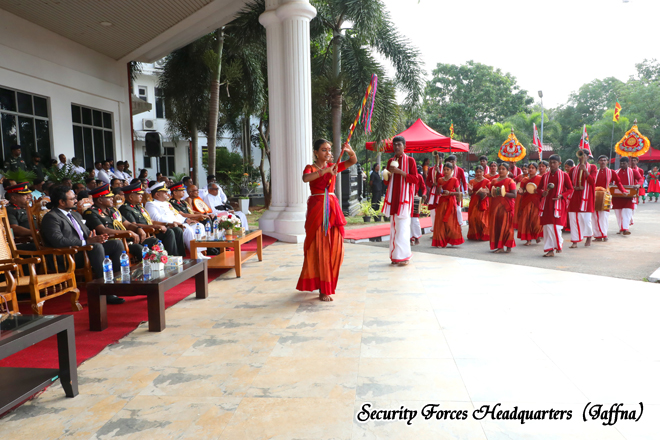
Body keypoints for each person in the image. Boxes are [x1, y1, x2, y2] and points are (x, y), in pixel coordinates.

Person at [40, 185, 125, 303]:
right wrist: (86, 242)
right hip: (69, 255)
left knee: (116, 244)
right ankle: (105, 291)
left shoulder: (75, 214)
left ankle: (118, 284)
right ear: (62, 202)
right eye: (72, 199)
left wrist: (97, 238)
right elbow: (58, 241)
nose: (76, 201)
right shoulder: (51, 217)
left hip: (86, 250)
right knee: (96, 247)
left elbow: (87, 234)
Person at [296, 139, 356, 301]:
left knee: (336, 248)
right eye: (324, 150)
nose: (328, 152)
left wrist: (350, 151)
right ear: (316, 152)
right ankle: (323, 289)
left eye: (329, 149)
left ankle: (328, 283)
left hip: (332, 208)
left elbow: (352, 161)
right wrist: (325, 172)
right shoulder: (311, 167)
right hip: (317, 209)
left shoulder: (333, 166)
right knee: (320, 248)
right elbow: (306, 178)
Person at [83, 183, 156, 261]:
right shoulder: (91, 213)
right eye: (109, 197)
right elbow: (103, 230)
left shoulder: (113, 210)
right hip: (112, 243)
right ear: (100, 200)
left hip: (126, 240)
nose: (112, 198)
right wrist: (128, 232)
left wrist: (138, 228)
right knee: (139, 248)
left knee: (154, 242)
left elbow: (128, 224)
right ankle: (147, 266)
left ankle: (158, 264)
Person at [119, 181, 184, 257]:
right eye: (139, 194)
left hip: (150, 231)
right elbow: (134, 225)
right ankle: (171, 258)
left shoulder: (139, 207)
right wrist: (155, 226)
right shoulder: (125, 208)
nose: (141, 196)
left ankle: (180, 257)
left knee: (177, 229)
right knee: (169, 232)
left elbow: (150, 221)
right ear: (130, 197)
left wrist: (167, 224)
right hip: (143, 235)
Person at [145, 182, 208, 259]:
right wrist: (172, 223)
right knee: (188, 230)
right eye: (164, 192)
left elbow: (176, 214)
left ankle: (200, 252)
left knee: (199, 226)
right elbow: (157, 218)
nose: (167, 193)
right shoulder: (151, 204)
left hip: (179, 223)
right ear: (157, 194)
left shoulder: (166, 203)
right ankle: (195, 254)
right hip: (168, 226)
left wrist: (186, 220)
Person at [382, 136, 418, 265]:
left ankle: (405, 257)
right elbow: (386, 182)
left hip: (404, 199)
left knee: (402, 228)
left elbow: (415, 179)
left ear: (404, 146)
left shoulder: (410, 161)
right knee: (394, 227)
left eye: (399, 144)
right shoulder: (390, 161)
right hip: (393, 198)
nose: (397, 147)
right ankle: (395, 256)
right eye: (395, 145)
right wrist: (387, 175)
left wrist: (400, 172)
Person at [538, 155, 574, 257]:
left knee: (556, 227)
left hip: (558, 205)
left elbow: (570, 189)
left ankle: (558, 244)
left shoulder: (564, 175)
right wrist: (542, 192)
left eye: (554, 162)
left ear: (559, 163)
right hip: (546, 205)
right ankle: (550, 250)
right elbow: (538, 189)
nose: (552, 164)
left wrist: (562, 195)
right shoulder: (545, 176)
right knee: (547, 228)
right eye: (551, 162)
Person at [567, 149, 597, 248]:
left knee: (586, 220)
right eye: (580, 155)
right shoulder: (573, 169)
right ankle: (575, 240)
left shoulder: (592, 167)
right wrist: (574, 187)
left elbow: (592, 181)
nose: (582, 157)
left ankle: (588, 237)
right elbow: (568, 183)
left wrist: (585, 171)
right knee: (574, 219)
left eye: (584, 155)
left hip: (587, 197)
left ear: (587, 157)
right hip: (574, 196)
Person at [592, 155, 626, 242]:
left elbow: (618, 182)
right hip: (595, 196)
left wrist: (623, 191)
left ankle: (604, 234)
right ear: (598, 162)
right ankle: (598, 236)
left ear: (607, 162)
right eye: (601, 160)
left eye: (605, 160)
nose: (603, 162)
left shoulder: (611, 172)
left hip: (606, 197)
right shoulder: (595, 172)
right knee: (595, 217)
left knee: (604, 217)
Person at [432, 162, 464, 248]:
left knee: (450, 222)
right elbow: (438, 193)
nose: (446, 171)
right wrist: (439, 189)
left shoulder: (454, 180)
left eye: (448, 170)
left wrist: (450, 193)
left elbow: (459, 193)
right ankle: (441, 241)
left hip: (451, 202)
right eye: (444, 170)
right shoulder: (440, 179)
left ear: (451, 170)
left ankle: (452, 239)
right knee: (440, 221)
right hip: (442, 202)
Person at [488, 163, 517, 253]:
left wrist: (503, 193)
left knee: (507, 226)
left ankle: (508, 246)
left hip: (506, 207)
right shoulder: (493, 181)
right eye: (500, 169)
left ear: (507, 170)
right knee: (497, 226)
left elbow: (514, 195)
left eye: (503, 169)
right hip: (495, 207)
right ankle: (499, 246)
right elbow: (491, 194)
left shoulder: (510, 181)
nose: (501, 170)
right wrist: (486, 192)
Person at [612, 157, 642, 235]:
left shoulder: (633, 171)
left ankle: (625, 229)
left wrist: (638, 185)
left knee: (627, 212)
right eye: (621, 163)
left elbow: (640, 179)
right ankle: (621, 228)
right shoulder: (615, 172)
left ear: (628, 163)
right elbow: (610, 180)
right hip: (617, 197)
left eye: (624, 163)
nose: (622, 165)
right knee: (618, 214)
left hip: (628, 196)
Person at [5, 182, 37, 252]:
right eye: (25, 195)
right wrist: (35, 233)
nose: (29, 196)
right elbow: (14, 228)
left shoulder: (27, 208)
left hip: (36, 239)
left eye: (29, 194)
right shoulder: (10, 210)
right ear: (14, 198)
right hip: (24, 243)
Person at [516, 162, 543, 245]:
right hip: (526, 201)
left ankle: (537, 235)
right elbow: (521, 190)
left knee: (536, 221)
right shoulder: (524, 179)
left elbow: (544, 190)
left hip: (536, 202)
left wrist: (538, 191)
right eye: (529, 168)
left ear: (536, 169)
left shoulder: (540, 178)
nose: (530, 169)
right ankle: (528, 240)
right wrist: (520, 191)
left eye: (532, 168)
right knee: (526, 220)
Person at [467, 165, 490, 241]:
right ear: (475, 172)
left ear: (483, 172)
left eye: (480, 171)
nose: (479, 173)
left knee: (482, 219)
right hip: (474, 201)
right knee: (473, 218)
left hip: (483, 201)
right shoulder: (472, 181)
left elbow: (489, 193)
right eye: (477, 172)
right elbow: (470, 194)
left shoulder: (487, 181)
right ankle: (475, 234)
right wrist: (470, 191)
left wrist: (484, 192)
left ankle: (483, 234)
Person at [444, 155, 467, 226]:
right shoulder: (446, 170)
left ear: (456, 161)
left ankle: (460, 224)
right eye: (450, 161)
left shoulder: (460, 170)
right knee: (448, 209)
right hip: (448, 192)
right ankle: (451, 225)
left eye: (453, 161)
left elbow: (464, 181)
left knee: (458, 209)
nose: (451, 162)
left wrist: (465, 190)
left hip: (457, 192)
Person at [410, 169, 426, 245]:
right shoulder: (404, 175)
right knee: (407, 220)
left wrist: (424, 194)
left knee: (415, 220)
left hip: (415, 198)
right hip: (406, 199)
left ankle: (416, 237)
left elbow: (424, 187)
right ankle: (409, 238)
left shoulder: (419, 176)